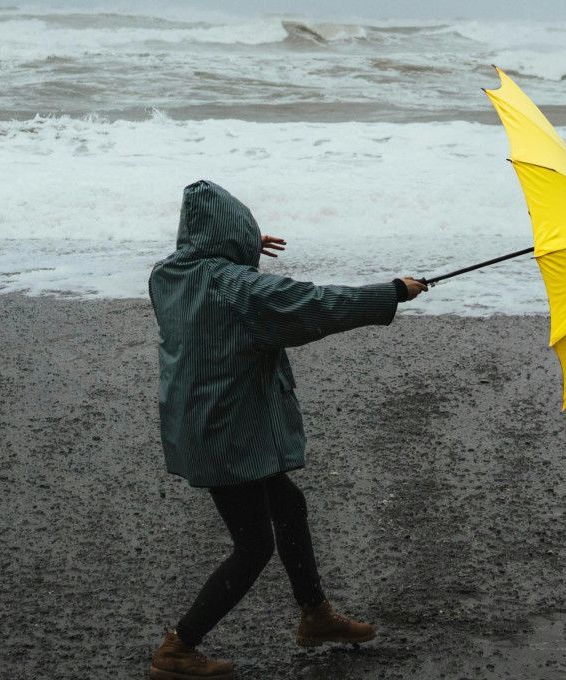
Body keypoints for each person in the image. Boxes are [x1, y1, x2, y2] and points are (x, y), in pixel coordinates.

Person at [146, 180, 428, 680]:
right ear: (230, 235)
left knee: (288, 504)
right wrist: (391, 294)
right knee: (253, 546)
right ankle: (178, 648)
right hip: (227, 432)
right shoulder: (238, 288)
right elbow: (314, 304)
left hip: (202, 421)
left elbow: (214, 270)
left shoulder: (168, 275)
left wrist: (240, 247)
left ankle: (316, 615)